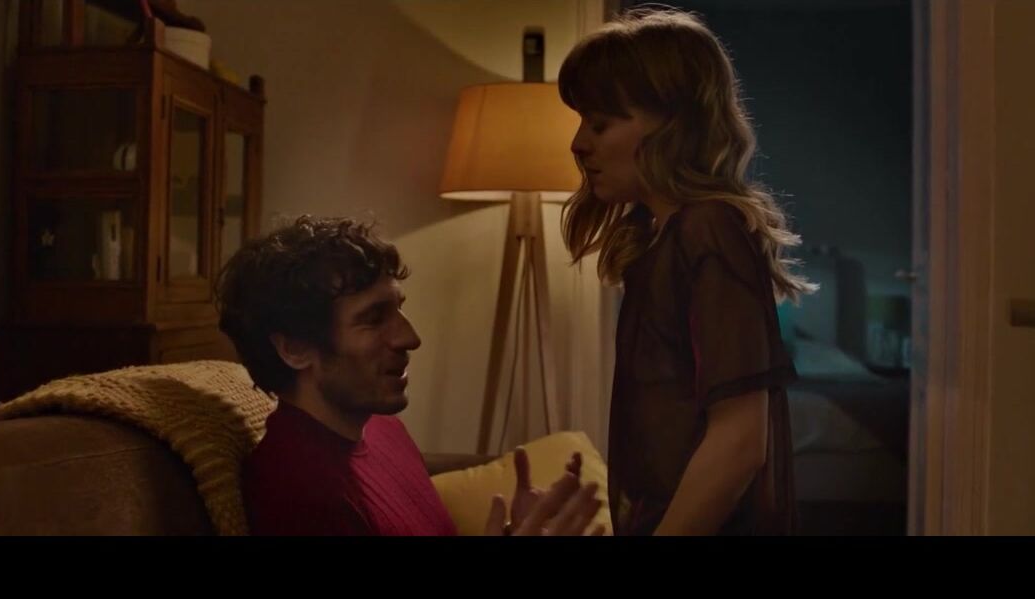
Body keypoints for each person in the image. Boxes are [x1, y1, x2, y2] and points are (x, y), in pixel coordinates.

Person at [558, 7, 816, 535]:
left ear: (671, 124)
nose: (579, 144)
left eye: (601, 123)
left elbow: (739, 442)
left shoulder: (709, 229)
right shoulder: (658, 240)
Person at [216, 215, 604, 536]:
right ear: (295, 348)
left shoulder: (383, 429)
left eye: (398, 309)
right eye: (373, 319)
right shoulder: (297, 491)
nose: (410, 337)